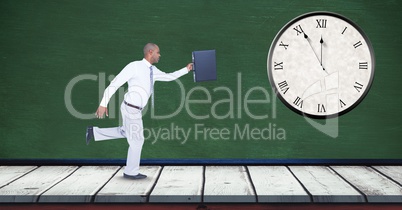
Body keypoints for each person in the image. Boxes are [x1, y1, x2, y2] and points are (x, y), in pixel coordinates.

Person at [86, 43, 193, 179]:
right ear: (150, 52)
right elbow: (115, 83)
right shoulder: (134, 66)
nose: (159, 55)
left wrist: (186, 69)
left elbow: (168, 77)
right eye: (158, 52)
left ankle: (93, 132)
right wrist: (103, 103)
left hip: (135, 110)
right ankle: (131, 172)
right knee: (137, 140)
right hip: (131, 108)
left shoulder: (153, 70)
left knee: (126, 131)